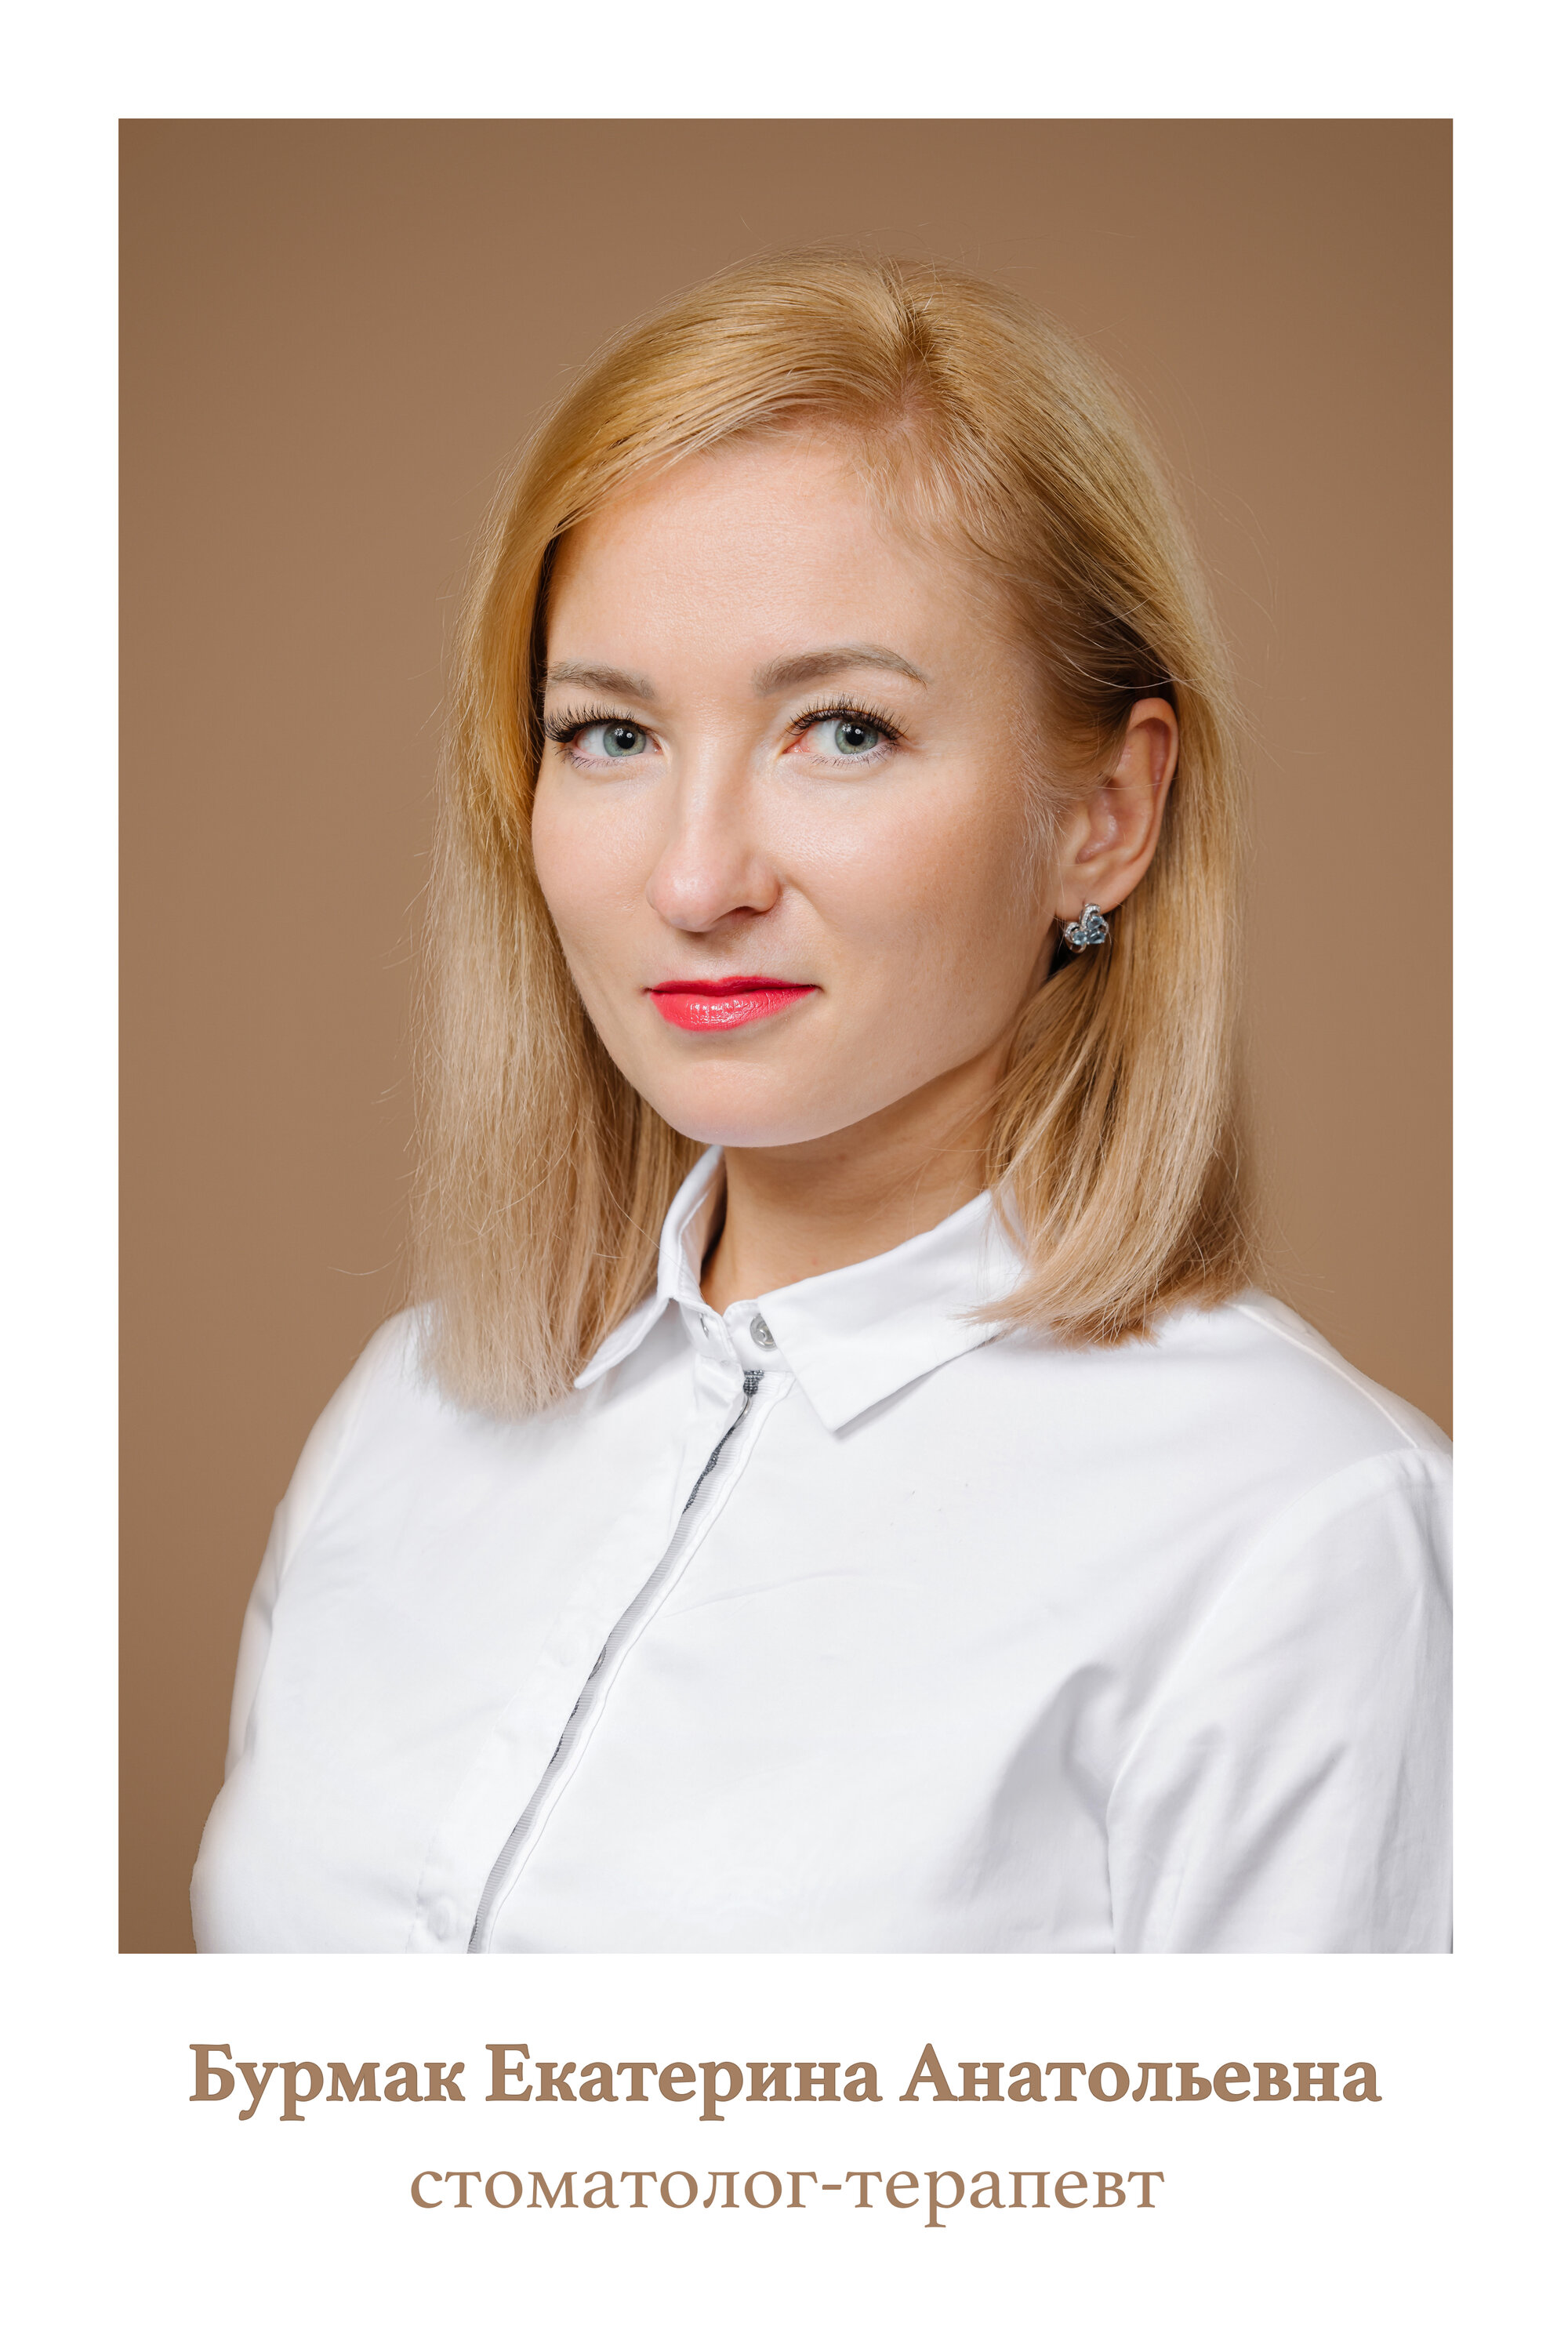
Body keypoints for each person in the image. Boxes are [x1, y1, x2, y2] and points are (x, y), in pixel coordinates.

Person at [191, 251, 1450, 1955]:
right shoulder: (408, 1417)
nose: (694, 877)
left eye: (841, 731)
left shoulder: (1305, 1536)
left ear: (1105, 814)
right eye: (610, 735)